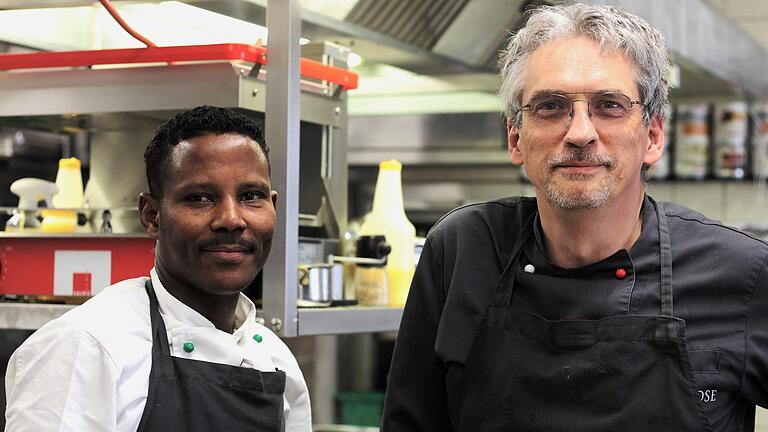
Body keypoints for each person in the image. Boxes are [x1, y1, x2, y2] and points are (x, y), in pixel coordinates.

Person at [381, 4, 768, 432]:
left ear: (653, 137)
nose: (580, 132)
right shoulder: (461, 250)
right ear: (515, 138)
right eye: (550, 106)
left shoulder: (743, 273)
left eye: (609, 106)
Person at [4, 106, 312, 431]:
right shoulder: (88, 347)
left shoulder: (278, 363)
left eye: (251, 196)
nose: (232, 220)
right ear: (151, 215)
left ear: (273, 208)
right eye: (200, 198)